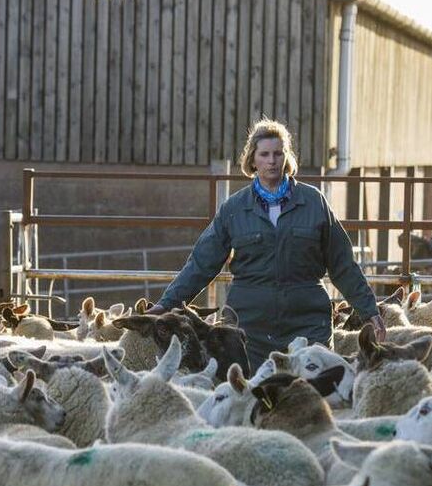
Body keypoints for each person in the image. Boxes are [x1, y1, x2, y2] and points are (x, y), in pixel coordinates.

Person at [147, 119, 386, 372]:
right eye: (264, 154)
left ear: (286, 157)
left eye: (278, 153)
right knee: (252, 393)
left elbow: (342, 264)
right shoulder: (235, 209)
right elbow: (201, 264)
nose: (272, 161)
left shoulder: (314, 202)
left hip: (306, 318)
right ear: (252, 160)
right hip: (249, 325)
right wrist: (168, 302)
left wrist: (368, 309)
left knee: (314, 390)